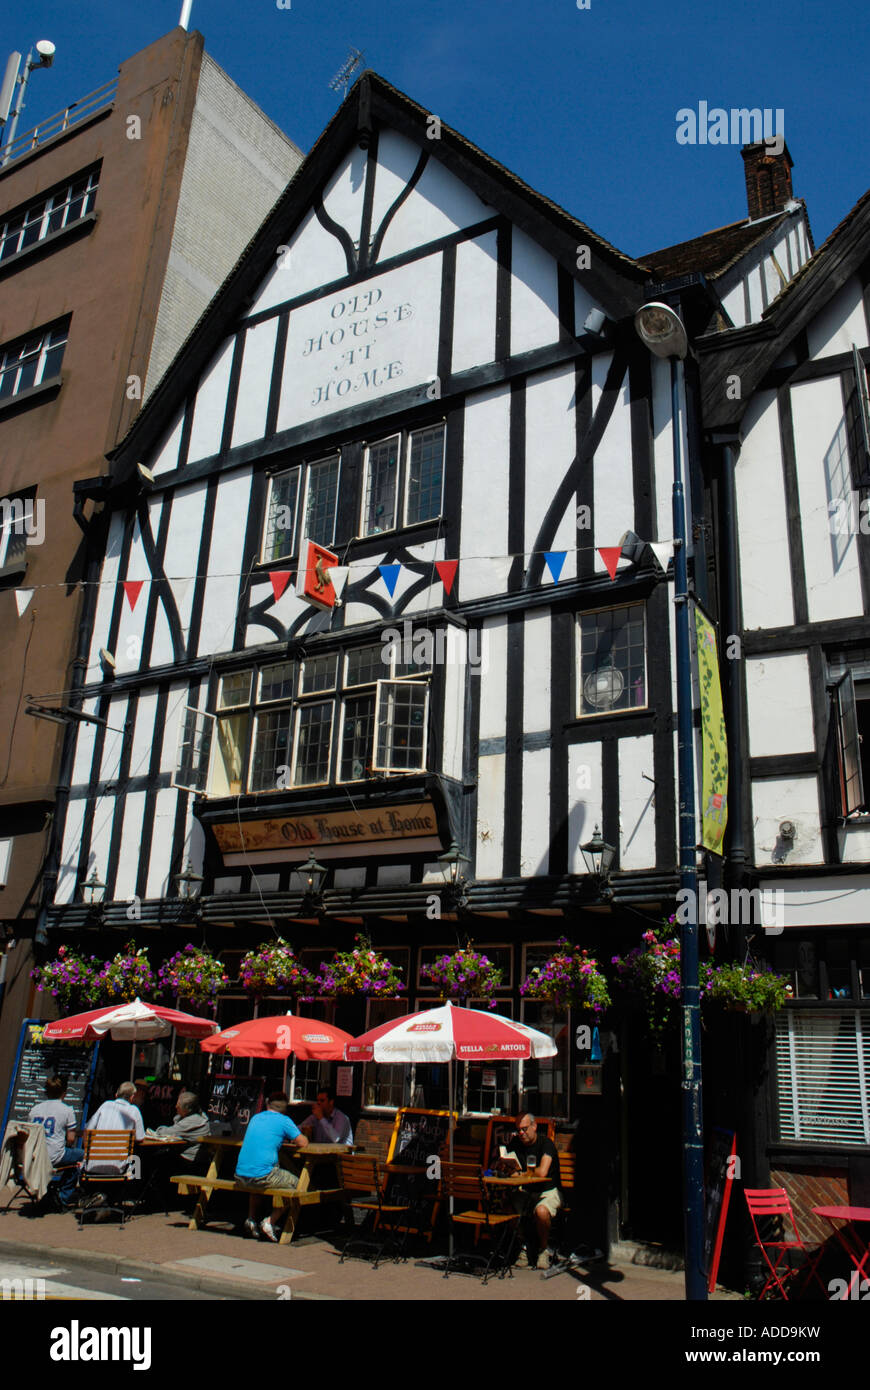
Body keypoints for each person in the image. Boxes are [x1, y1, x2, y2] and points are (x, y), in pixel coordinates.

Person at [235, 1091, 308, 1242]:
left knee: (256, 1180)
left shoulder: (256, 1117)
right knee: (299, 1185)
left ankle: (251, 1219)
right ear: (285, 1108)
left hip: (240, 1175)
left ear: (268, 1105)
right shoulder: (284, 1121)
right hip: (263, 1176)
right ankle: (270, 1221)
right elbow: (303, 1143)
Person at [500, 1113, 562, 1270]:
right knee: (507, 1206)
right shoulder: (515, 1143)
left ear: (534, 1126)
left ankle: (543, 1249)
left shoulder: (546, 1144)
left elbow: (542, 1172)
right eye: (518, 1130)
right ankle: (523, 1246)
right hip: (526, 1191)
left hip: (547, 1190)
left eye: (525, 1129)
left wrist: (520, 1174)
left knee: (541, 1211)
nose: (521, 1133)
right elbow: (509, 1168)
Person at [27, 1075, 83, 1208]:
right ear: (64, 1093)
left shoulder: (34, 1110)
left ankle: (48, 1191)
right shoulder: (67, 1110)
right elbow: (70, 1139)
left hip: (35, 1155)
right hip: (55, 1155)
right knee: (81, 1156)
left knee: (72, 1159)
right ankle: (63, 1196)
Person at [84, 1080, 145, 1173]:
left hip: (92, 1167)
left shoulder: (105, 1105)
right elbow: (140, 1138)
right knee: (138, 1161)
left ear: (116, 1095)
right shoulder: (134, 1111)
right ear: (132, 1097)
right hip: (117, 1168)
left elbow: (88, 1129)